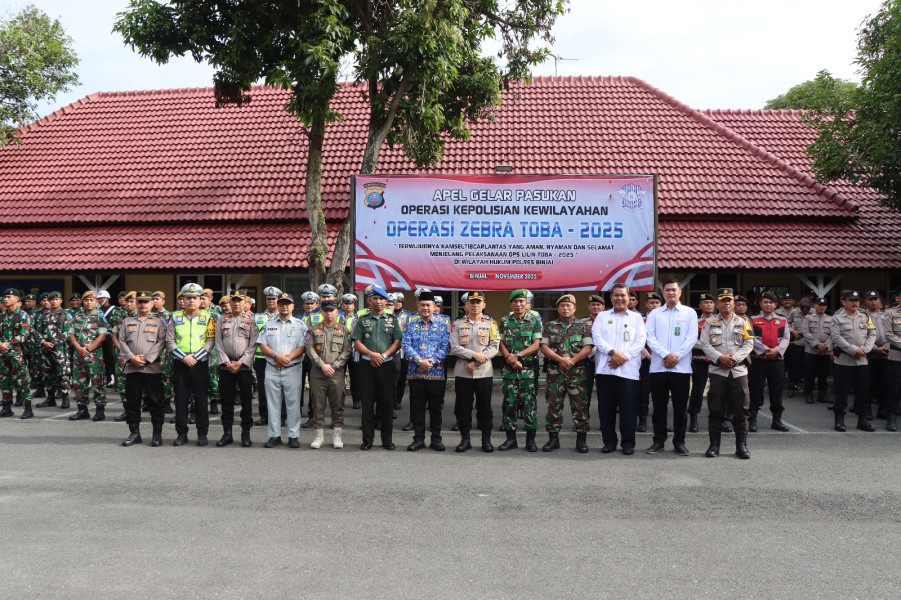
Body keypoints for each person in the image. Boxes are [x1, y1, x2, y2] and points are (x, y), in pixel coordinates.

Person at [591, 283, 647, 455]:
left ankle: (628, 443)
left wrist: (624, 357)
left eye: (623, 295)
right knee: (606, 409)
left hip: (628, 371)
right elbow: (597, 337)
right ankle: (609, 442)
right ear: (611, 297)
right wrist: (612, 352)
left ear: (629, 297)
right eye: (616, 295)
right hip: (605, 370)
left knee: (628, 409)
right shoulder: (601, 316)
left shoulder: (636, 318)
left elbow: (640, 340)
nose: (620, 298)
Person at [699, 288, 755, 459]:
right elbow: (704, 344)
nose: (726, 303)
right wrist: (720, 358)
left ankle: (741, 446)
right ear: (717, 303)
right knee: (715, 410)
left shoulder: (743, 322)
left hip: (738, 372)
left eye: (729, 300)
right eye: (723, 300)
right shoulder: (710, 323)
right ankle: (714, 445)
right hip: (718, 372)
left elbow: (749, 344)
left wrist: (734, 359)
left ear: (733, 302)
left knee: (741, 410)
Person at [644, 279, 699, 456]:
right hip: (659, 368)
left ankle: (679, 442)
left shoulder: (689, 313)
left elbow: (691, 338)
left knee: (680, 408)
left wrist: (677, 356)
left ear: (680, 292)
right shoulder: (655, 314)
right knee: (659, 407)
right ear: (664, 293)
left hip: (681, 369)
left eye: (674, 290)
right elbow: (649, 338)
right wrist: (666, 355)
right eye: (667, 290)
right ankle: (658, 441)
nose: (671, 293)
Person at [539, 294, 594, 453]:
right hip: (556, 372)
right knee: (554, 406)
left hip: (578, 372)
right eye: (562, 306)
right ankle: (553, 439)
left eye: (568, 306)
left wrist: (572, 361)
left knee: (580, 406)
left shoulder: (583, 327)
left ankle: (581, 440)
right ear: (558, 308)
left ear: (574, 308)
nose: (565, 308)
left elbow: (587, 348)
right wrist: (561, 360)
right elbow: (544, 347)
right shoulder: (550, 326)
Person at [351, 286, 402, 450]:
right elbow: (357, 341)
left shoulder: (393, 320)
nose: (378, 302)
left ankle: (387, 440)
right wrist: (372, 355)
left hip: (386, 365)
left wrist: (383, 356)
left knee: (387, 403)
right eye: (375, 298)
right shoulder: (362, 319)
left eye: (382, 299)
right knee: (367, 403)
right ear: (369, 300)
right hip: (366, 365)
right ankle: (367, 440)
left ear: (386, 302)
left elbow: (397, 341)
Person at [449, 291, 499, 452]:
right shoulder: (457, 324)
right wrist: (472, 355)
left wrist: (476, 362)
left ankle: (486, 440)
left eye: (478, 302)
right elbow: (454, 347)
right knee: (463, 407)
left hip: (483, 372)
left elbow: (494, 347)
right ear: (466, 305)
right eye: (472, 302)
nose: (475, 305)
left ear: (484, 305)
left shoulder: (491, 324)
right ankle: (465, 439)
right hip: (463, 371)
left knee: (484, 406)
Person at [166, 283, 215, 446]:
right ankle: (181, 433)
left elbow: (210, 340)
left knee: (201, 399)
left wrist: (196, 357)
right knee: (181, 399)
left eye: (195, 298)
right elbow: (170, 341)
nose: (192, 301)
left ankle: (202, 433)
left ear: (200, 300)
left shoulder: (208, 317)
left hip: (199, 363)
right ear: (183, 300)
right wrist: (184, 357)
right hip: (181, 363)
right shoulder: (175, 317)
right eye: (188, 298)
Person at [401, 290, 450, 452]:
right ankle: (418, 439)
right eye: (422, 305)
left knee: (436, 409)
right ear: (417, 306)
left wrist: (431, 361)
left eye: (428, 305)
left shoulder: (443, 325)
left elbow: (445, 347)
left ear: (434, 306)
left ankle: (436, 439)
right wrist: (419, 361)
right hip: (416, 374)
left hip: (436, 374)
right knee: (417, 409)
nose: (425, 308)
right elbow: (406, 346)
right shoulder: (410, 324)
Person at [258, 292, 307, 448]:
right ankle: (274, 436)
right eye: (282, 303)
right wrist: (276, 356)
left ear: (293, 306)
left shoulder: (300, 325)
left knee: (293, 404)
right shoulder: (269, 324)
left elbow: (303, 346)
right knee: (273, 404)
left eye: (288, 303)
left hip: (292, 369)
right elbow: (262, 344)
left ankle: (293, 436)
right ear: (278, 306)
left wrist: (287, 359)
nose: (284, 306)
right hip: (272, 368)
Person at [118, 291, 167, 447]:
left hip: (152, 368)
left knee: (156, 402)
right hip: (132, 368)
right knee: (132, 402)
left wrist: (147, 358)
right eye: (140, 301)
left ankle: (157, 434)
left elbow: (162, 342)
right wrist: (131, 357)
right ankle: (134, 433)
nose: (143, 304)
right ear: (136, 303)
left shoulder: (159, 322)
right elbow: (122, 341)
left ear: (152, 303)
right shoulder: (127, 321)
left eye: (146, 301)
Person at [498, 288, 543, 452]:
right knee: (509, 404)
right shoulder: (504, 321)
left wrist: (517, 356)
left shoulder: (535, 321)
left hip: (528, 371)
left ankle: (530, 441)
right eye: (515, 301)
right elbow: (500, 343)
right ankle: (511, 440)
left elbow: (536, 345)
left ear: (527, 304)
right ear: (511, 304)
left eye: (521, 301)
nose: (518, 304)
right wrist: (509, 359)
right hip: (509, 370)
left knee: (529, 405)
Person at [305, 299, 352, 449]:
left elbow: (347, 350)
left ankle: (337, 435)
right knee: (318, 405)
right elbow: (309, 348)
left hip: (336, 373)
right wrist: (322, 365)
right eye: (326, 310)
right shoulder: (313, 329)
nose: (329, 313)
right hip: (318, 373)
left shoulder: (344, 330)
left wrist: (335, 365)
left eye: (332, 310)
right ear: (321, 312)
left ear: (337, 312)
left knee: (337, 405)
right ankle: (319, 436)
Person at [214, 291, 258, 448]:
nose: (237, 303)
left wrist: (241, 362)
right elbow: (217, 342)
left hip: (244, 367)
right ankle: (227, 434)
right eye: (234, 301)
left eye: (240, 300)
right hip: (226, 368)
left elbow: (253, 343)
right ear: (230, 303)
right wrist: (226, 362)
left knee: (246, 402)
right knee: (226, 402)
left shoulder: (251, 320)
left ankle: (245, 433)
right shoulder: (221, 319)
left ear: (245, 302)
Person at [830, 290, 877, 432]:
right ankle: (839, 420)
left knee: (862, 392)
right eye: (851, 300)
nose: (854, 303)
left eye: (856, 300)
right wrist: (853, 349)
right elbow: (836, 337)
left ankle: (862, 420)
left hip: (862, 361)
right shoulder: (836, 318)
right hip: (844, 361)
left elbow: (872, 333)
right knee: (841, 392)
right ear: (843, 301)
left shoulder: (865, 316)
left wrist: (866, 349)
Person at [748, 291, 791, 432]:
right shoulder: (752, 320)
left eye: (771, 302)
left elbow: (786, 338)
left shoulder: (782, 320)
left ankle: (777, 421)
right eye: (765, 302)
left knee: (777, 390)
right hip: (758, 361)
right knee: (755, 390)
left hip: (776, 361)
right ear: (760, 304)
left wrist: (777, 351)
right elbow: (751, 338)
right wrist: (767, 350)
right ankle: (752, 420)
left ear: (775, 305)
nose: (768, 305)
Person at [68, 291, 108, 421]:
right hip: (78, 355)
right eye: (86, 300)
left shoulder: (100, 316)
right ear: (83, 302)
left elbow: (102, 336)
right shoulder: (78, 316)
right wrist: (79, 348)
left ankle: (100, 411)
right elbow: (72, 334)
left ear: (96, 302)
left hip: (94, 356)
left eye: (92, 300)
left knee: (97, 383)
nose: (89, 302)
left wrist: (88, 349)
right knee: (79, 383)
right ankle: (82, 410)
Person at [254, 286, 284, 426]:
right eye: (268, 299)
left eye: (273, 299)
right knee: (263, 388)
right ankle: (264, 415)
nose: (271, 301)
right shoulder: (258, 316)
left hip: (280, 359)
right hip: (261, 359)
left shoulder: (284, 315)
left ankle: (282, 416)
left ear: (278, 300)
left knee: (281, 388)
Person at [0, 288, 32, 419]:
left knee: (22, 380)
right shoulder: (2, 316)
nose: (5, 299)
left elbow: (24, 335)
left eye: (9, 297)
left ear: (17, 299)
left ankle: (28, 408)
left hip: (17, 353)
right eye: (5, 297)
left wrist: (7, 344)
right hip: (2, 353)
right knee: (4, 380)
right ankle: (7, 407)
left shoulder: (23, 315)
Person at [35, 291, 71, 410]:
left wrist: (55, 344)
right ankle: (50, 399)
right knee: (47, 374)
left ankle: (65, 398)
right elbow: (37, 331)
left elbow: (68, 332)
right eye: (52, 299)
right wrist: (43, 342)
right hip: (45, 350)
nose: (54, 301)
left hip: (60, 350)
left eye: (57, 299)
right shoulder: (43, 316)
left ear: (61, 301)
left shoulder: (66, 314)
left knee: (63, 374)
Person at [688, 292, 716, 433]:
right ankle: (693, 418)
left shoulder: (720, 322)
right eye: (705, 302)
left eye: (711, 302)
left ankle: (719, 419)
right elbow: (692, 341)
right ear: (700, 306)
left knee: (718, 392)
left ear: (714, 305)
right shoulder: (695, 323)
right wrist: (710, 348)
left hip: (717, 362)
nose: (708, 305)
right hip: (699, 361)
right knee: (697, 390)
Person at [801, 297, 833, 405]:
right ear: (814, 306)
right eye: (820, 305)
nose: (822, 307)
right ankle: (809, 394)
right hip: (811, 351)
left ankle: (822, 395)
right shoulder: (808, 318)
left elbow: (834, 334)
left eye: (824, 305)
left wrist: (826, 345)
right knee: (810, 374)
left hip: (825, 352)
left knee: (823, 375)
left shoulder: (830, 319)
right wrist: (817, 344)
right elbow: (806, 333)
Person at [865, 291, 890, 419]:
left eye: (875, 299)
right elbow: (862, 336)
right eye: (870, 299)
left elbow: (892, 334)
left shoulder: (886, 316)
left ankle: (882, 410)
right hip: (870, 354)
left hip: (885, 354)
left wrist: (885, 348)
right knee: (868, 384)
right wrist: (875, 349)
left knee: (884, 383)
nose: (873, 302)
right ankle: (867, 411)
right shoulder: (862, 316)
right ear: (866, 301)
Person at [580, 294, 605, 419]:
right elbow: (580, 341)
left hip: (604, 359)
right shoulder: (582, 322)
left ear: (603, 307)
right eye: (593, 305)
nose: (596, 307)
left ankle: (604, 419)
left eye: (598, 305)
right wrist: (590, 355)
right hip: (586, 361)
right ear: (589, 307)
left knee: (604, 392)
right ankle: (583, 419)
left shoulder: (608, 320)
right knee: (585, 391)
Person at [883, 289, 901, 432]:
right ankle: (891, 417)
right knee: (893, 388)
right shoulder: (890, 313)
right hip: (896, 356)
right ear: (898, 298)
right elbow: (889, 334)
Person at [341, 293, 362, 410]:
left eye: (351, 304)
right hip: (340, 350)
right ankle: (340, 400)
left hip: (355, 350)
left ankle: (356, 399)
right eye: (346, 303)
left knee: (356, 377)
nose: (348, 306)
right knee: (340, 376)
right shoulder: (337, 317)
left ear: (354, 306)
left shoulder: (358, 319)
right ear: (342, 305)